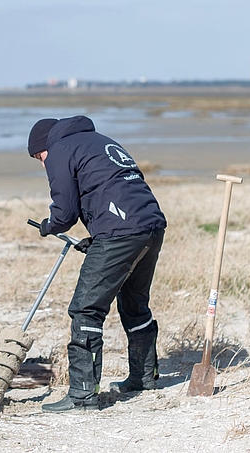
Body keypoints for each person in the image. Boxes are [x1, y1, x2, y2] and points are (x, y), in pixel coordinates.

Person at [27, 115, 167, 412]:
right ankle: (144, 379)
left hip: (122, 232)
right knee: (135, 305)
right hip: (151, 228)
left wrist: (49, 225)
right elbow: (110, 190)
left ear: (44, 147)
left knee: (85, 310)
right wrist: (98, 238)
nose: (42, 164)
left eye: (39, 157)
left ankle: (82, 395)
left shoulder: (60, 149)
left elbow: (65, 211)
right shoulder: (100, 140)